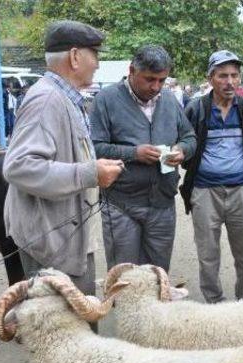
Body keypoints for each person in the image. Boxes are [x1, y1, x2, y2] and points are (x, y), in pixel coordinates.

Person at [3, 20, 124, 332]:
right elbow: (18, 167)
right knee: (67, 340)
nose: (97, 63)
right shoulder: (46, 100)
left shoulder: (63, 97)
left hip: (63, 240)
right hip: (52, 246)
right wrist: (89, 172)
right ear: (74, 57)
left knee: (78, 337)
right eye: (94, 54)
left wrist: (93, 167)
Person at [90, 45, 196, 272]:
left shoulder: (169, 100)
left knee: (158, 275)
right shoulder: (106, 100)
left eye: (161, 80)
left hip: (162, 204)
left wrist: (182, 149)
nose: (156, 87)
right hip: (121, 204)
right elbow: (94, 148)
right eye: (149, 79)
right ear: (131, 70)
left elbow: (190, 136)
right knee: (124, 275)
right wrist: (133, 153)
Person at [180, 50, 243, 303]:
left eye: (235, 75)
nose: (230, 82)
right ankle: (214, 303)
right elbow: (186, 146)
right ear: (210, 78)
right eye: (223, 76)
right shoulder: (196, 109)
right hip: (204, 192)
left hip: (242, 191)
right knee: (208, 254)